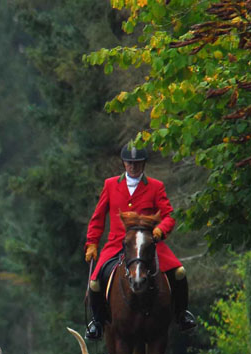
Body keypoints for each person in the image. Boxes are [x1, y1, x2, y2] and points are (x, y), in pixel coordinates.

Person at [84, 142, 196, 340]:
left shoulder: (155, 186)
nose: (133, 167)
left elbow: (169, 215)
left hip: (148, 244)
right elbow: (98, 217)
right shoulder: (110, 185)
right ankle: (98, 322)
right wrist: (92, 243)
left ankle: (182, 315)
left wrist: (160, 230)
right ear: (124, 163)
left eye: (137, 163)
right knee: (94, 282)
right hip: (117, 244)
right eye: (129, 163)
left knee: (179, 272)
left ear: (143, 164)